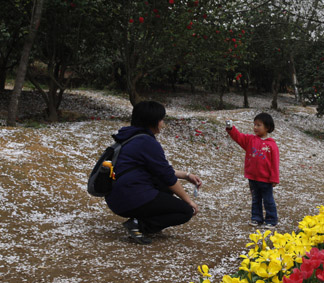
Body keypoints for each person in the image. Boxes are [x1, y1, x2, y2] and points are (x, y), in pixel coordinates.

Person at [105, 101, 202, 244]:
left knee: (162, 185)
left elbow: (161, 169)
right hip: (128, 197)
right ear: (153, 121)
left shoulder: (130, 136)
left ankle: (144, 219)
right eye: (161, 120)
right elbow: (168, 177)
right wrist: (189, 201)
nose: (163, 123)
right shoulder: (146, 142)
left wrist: (186, 176)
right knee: (185, 211)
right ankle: (139, 225)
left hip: (117, 196)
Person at [226, 113, 280, 228]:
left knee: (268, 200)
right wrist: (231, 128)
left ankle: (271, 219)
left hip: (266, 179)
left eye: (259, 125)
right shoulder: (250, 140)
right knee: (255, 199)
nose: (255, 127)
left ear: (267, 128)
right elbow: (238, 137)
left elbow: (275, 163)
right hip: (252, 177)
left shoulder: (272, 145)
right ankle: (256, 218)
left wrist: (274, 178)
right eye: (254, 124)